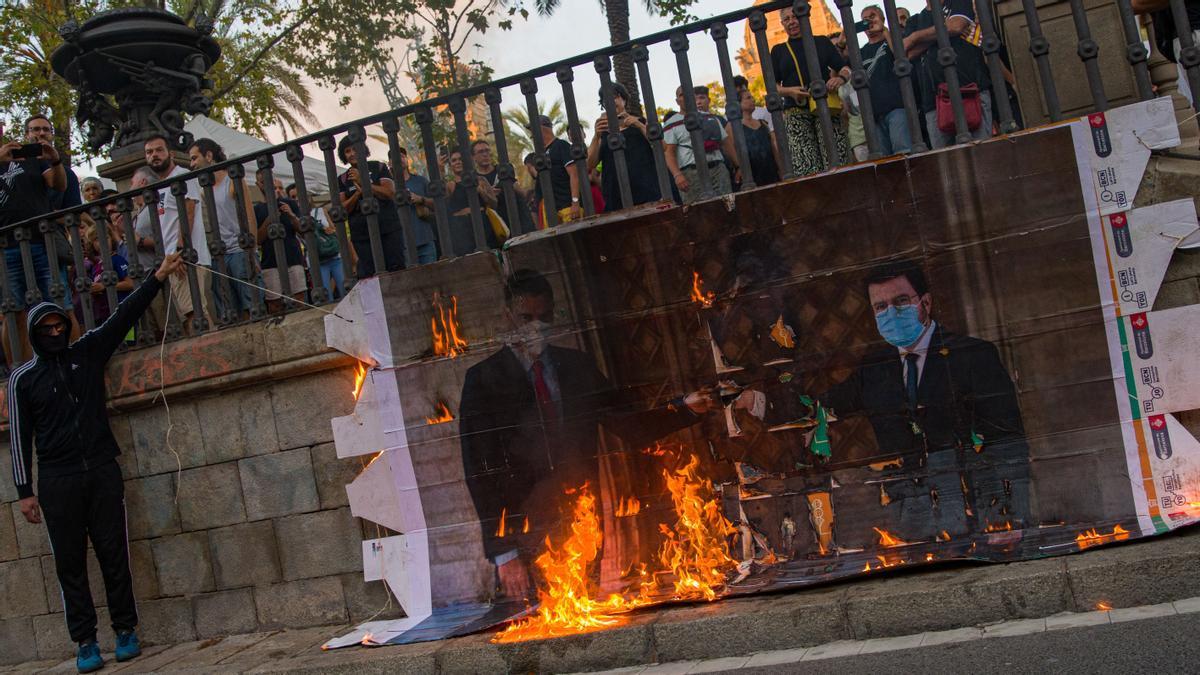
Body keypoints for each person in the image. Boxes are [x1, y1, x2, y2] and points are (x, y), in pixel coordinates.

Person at [730, 260, 1030, 543]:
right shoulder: (876, 366)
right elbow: (821, 406)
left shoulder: (973, 356)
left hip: (975, 511)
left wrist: (1005, 515)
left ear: (925, 303)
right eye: (881, 307)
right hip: (913, 518)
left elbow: (1007, 441)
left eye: (900, 302)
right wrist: (758, 401)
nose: (891, 313)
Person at [458, 269, 711, 599]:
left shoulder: (576, 366)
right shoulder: (484, 379)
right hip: (524, 532)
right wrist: (504, 554)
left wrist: (685, 409)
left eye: (544, 317)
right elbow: (480, 472)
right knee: (534, 628)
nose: (536, 326)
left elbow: (627, 423)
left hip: (580, 518)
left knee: (585, 613)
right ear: (508, 317)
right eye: (526, 318)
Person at [10, 251, 185, 673]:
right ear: (35, 334)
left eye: (58, 326)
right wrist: (24, 492)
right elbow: (19, 437)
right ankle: (85, 641)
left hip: (102, 470)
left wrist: (157, 277)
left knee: (113, 553)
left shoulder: (86, 353)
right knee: (70, 562)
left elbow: (122, 317)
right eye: (45, 329)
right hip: (57, 480)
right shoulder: (23, 378)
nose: (54, 332)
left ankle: (125, 630)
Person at [1, 122, 70, 365]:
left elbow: (59, 185)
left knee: (61, 303)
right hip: (6, 247)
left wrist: (55, 161)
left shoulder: (27, 156)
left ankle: (74, 358)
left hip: (42, 242)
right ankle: (19, 370)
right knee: (13, 311)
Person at [143, 134, 214, 333]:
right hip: (172, 260)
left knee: (195, 313)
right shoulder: (160, 184)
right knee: (189, 314)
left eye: (159, 150)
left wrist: (181, 251)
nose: (154, 155)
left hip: (185, 257)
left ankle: (209, 354)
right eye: (149, 152)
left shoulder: (182, 175)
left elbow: (188, 212)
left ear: (170, 153)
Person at [770, 6, 852, 176]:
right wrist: (790, 91)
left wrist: (839, 79)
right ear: (782, 24)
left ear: (804, 16)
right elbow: (773, 87)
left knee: (837, 160)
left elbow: (845, 68)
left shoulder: (821, 42)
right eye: (787, 19)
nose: (792, 22)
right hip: (795, 111)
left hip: (825, 106)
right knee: (806, 167)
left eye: (795, 17)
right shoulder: (778, 51)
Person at [903, 0, 993, 148]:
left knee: (982, 155)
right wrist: (944, 31)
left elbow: (956, 25)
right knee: (946, 163)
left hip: (971, 90)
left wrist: (916, 38)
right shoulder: (915, 20)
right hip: (934, 101)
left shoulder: (958, 3)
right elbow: (908, 53)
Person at [188, 138, 260, 321]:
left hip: (240, 251)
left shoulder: (232, 179)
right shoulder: (205, 190)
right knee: (229, 310)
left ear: (209, 156)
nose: (192, 164)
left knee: (251, 307)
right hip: (220, 254)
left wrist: (252, 250)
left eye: (195, 158)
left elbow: (249, 215)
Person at [587, 82, 663, 212]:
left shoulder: (641, 122)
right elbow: (590, 164)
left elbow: (662, 147)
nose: (610, 101)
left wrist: (638, 125)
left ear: (624, 98)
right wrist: (596, 137)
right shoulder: (603, 130)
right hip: (615, 192)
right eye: (605, 99)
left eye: (614, 96)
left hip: (646, 188)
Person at [336, 137, 406, 277]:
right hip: (362, 236)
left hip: (388, 230)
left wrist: (363, 182)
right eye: (347, 151)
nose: (352, 153)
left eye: (355, 148)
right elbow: (341, 210)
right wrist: (357, 195)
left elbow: (389, 193)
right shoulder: (343, 179)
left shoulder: (378, 167)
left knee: (397, 272)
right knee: (371, 276)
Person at [662, 86, 741, 203]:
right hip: (691, 175)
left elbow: (725, 143)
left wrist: (738, 166)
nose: (686, 97)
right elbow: (669, 152)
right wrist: (677, 175)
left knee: (728, 207)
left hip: (718, 170)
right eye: (682, 95)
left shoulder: (710, 117)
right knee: (699, 214)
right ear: (677, 101)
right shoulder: (671, 123)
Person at [860, 4, 912, 155]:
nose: (869, 22)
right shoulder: (860, 52)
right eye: (864, 20)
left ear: (882, 19)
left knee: (904, 153)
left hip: (896, 107)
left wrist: (883, 30)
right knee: (883, 163)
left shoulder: (892, 39)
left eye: (872, 17)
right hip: (874, 115)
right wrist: (846, 35)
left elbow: (900, 55)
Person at [253, 173, 308, 313]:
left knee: (299, 299)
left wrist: (291, 215)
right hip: (270, 261)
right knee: (274, 303)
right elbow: (257, 240)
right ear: (258, 185)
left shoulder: (289, 203)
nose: (267, 184)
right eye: (262, 181)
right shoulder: (257, 209)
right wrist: (268, 221)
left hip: (293, 257)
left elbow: (303, 231)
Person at [526, 115, 583, 227]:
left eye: (533, 131)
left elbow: (574, 174)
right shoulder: (542, 154)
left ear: (541, 129)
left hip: (568, 209)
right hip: (552, 212)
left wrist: (575, 202)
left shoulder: (561, 145)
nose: (531, 136)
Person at [73, 220, 133, 325]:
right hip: (105, 315)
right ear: (92, 244)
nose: (103, 241)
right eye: (97, 239)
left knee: (129, 340)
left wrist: (104, 286)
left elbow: (130, 283)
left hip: (124, 313)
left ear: (111, 239)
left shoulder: (117, 260)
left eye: (106, 237)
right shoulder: (96, 266)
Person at [445, 149, 501, 256]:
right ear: (451, 165)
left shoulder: (480, 180)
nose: (458, 162)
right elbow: (442, 207)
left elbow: (494, 203)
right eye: (454, 160)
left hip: (482, 222)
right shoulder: (450, 185)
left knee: (489, 255)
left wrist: (480, 191)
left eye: (461, 159)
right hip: (460, 227)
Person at [729, 88, 782, 187]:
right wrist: (739, 167)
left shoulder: (763, 124)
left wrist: (781, 169)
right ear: (738, 103)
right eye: (748, 98)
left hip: (771, 171)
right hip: (750, 175)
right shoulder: (732, 127)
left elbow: (773, 149)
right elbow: (730, 150)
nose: (752, 100)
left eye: (752, 97)